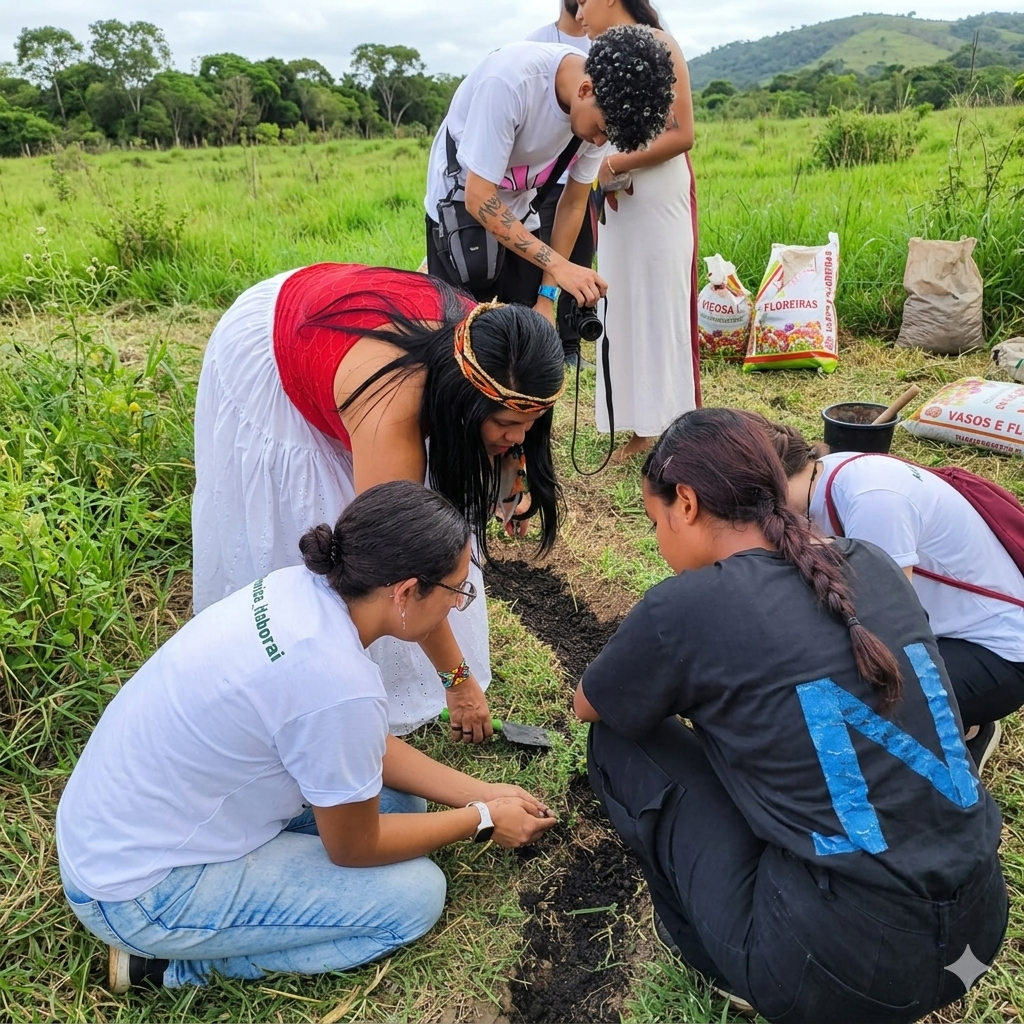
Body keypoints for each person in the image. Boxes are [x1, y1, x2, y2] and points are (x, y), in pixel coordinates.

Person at [575, 408, 1007, 1022]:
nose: (658, 540)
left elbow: (591, 702)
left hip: (838, 977)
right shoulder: (870, 562)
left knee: (619, 743)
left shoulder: (687, 606)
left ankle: (717, 958)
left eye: (655, 522)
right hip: (975, 939)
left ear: (688, 504)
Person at [58, 481, 558, 994]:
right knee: (415, 898)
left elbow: (357, 744)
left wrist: (482, 792)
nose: (458, 606)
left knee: (402, 805)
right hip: (139, 891)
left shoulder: (300, 591)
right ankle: (169, 967)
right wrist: (481, 820)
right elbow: (354, 848)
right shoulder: (336, 682)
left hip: (120, 825)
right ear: (407, 592)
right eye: (456, 590)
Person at [192, 263, 566, 741]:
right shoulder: (389, 411)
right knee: (374, 539)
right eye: (505, 424)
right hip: (275, 348)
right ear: (462, 403)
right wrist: (459, 683)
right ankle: (303, 682)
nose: (520, 438)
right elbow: (400, 559)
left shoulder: (494, 348)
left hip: (333, 314)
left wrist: (508, 471)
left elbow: (506, 430)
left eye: (531, 423)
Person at [750, 414, 1024, 774]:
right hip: (949, 631)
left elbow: (890, 622)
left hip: (998, 654)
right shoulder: (824, 475)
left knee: (842, 706)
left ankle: (966, 726)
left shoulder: (872, 498)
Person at [424, 26, 675, 326]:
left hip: (519, 212)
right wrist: (559, 265)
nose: (598, 143)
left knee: (525, 338)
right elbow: (478, 198)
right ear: (584, 90)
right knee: (460, 337)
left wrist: (546, 298)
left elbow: (572, 204)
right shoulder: (510, 83)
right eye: (601, 131)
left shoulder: (605, 112)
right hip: (458, 213)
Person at [575, 0, 701, 460]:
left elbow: (682, 133)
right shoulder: (595, 56)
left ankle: (669, 424)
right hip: (617, 201)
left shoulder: (662, 44)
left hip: (657, 195)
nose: (579, 12)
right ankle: (634, 423)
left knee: (659, 301)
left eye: (583, 1)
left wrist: (612, 162)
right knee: (621, 302)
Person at [525, 2, 598, 370]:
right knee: (544, 256)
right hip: (538, 182)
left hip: (580, 178)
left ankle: (571, 344)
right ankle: (537, 336)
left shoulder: (602, 44)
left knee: (579, 255)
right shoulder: (536, 48)